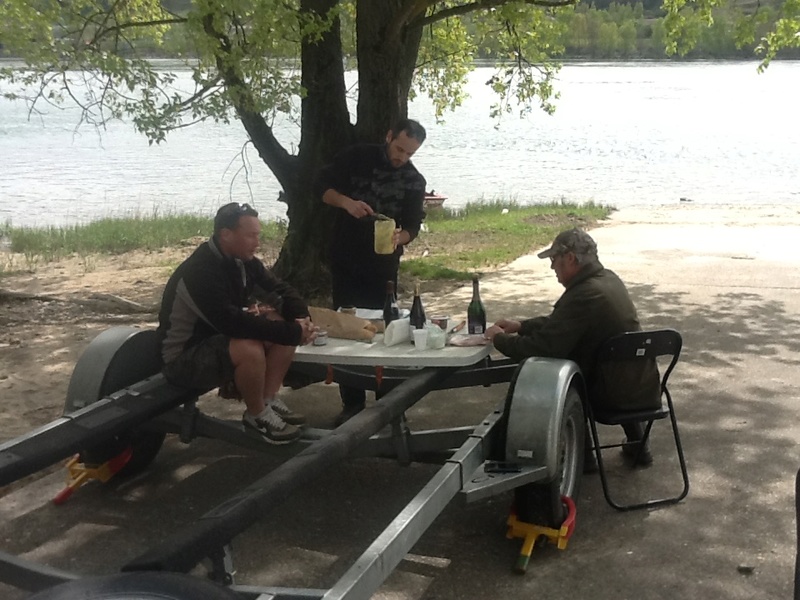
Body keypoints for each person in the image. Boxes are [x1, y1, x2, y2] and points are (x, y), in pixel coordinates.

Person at [484, 228, 661, 467]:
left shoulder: (585, 294)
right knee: (611, 363)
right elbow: (567, 323)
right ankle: (638, 444)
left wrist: (499, 339)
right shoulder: (608, 279)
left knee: (561, 375)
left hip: (608, 395)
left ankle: (583, 460)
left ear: (570, 258)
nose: (551, 267)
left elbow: (545, 347)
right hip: (643, 386)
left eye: (554, 260)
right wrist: (521, 325)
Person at [157, 202, 317, 445]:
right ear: (226, 235)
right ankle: (256, 416)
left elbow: (279, 290)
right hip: (183, 358)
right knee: (249, 346)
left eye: (258, 235)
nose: (257, 242)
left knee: (280, 321)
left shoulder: (243, 261)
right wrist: (292, 332)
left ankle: (268, 399)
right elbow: (232, 324)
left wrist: (301, 320)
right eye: (251, 235)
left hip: (218, 341)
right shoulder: (201, 271)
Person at [314, 118, 428, 425]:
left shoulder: (414, 181)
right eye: (399, 148)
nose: (401, 157)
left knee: (385, 331)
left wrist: (399, 237)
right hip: (347, 256)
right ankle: (351, 403)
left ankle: (387, 405)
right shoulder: (357, 156)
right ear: (389, 136)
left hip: (383, 266)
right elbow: (320, 188)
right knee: (347, 329)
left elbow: (413, 226)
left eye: (409, 154)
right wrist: (347, 203)